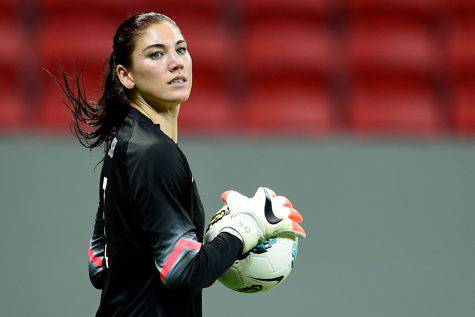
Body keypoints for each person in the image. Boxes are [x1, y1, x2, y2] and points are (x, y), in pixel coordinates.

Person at [57, 12, 306, 316]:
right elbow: (181, 272)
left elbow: (99, 264)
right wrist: (247, 227)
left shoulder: (124, 141)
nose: (176, 62)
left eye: (181, 49)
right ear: (126, 75)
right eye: (156, 54)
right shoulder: (153, 154)